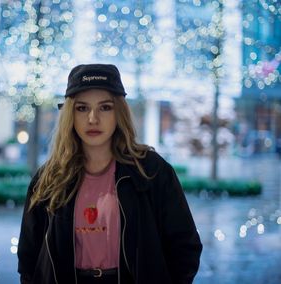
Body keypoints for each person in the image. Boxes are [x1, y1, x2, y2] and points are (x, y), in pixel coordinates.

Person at [17, 64, 202, 284]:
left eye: (105, 108)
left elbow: (185, 246)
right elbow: (29, 257)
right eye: (82, 108)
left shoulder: (151, 171)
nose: (93, 119)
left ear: (119, 113)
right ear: (70, 114)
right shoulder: (49, 178)